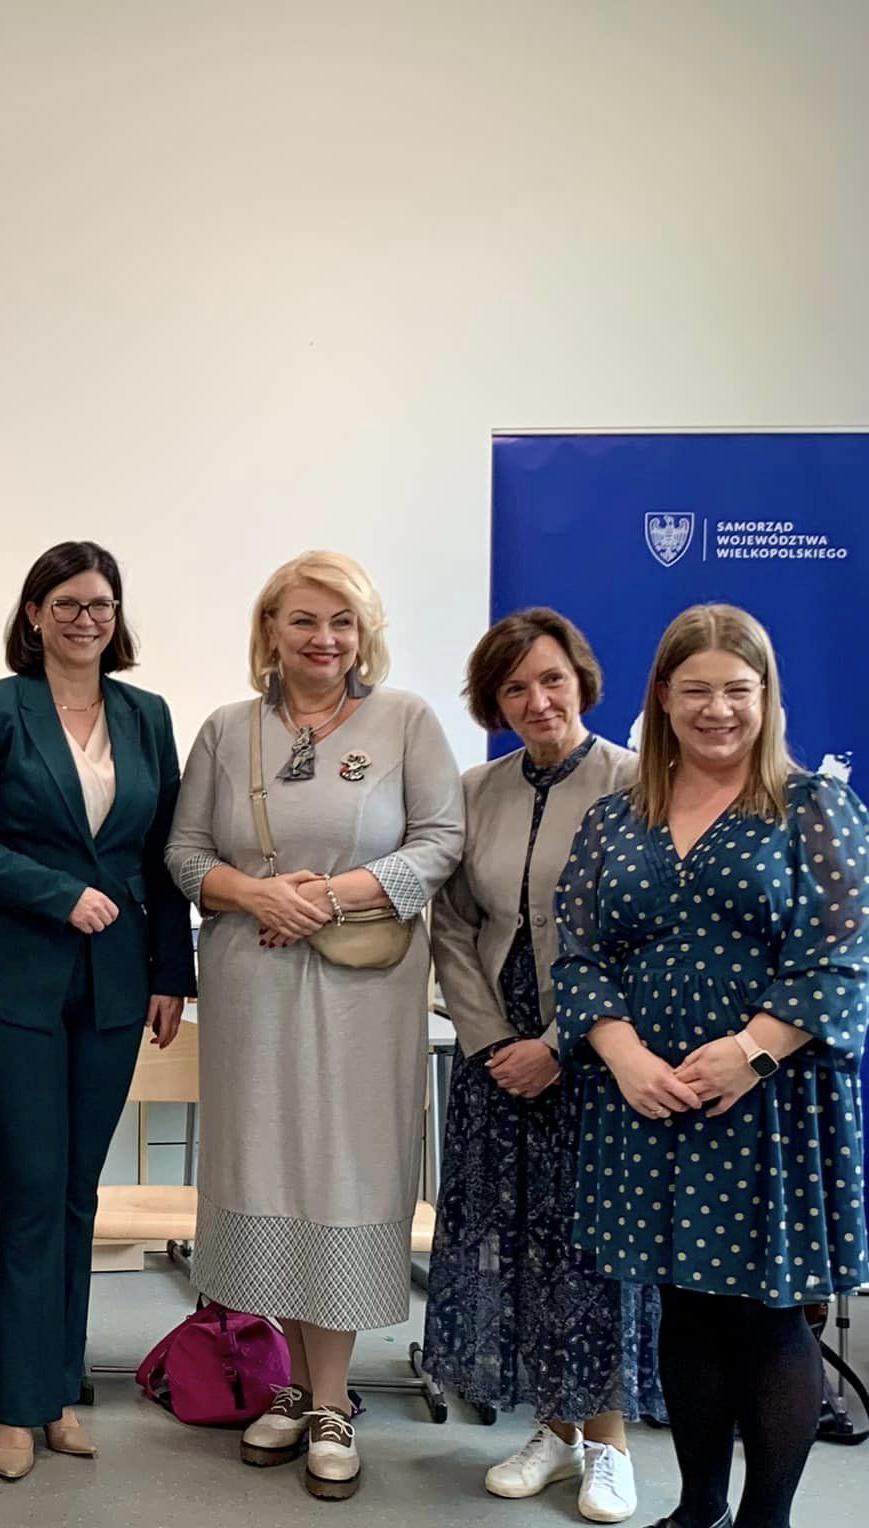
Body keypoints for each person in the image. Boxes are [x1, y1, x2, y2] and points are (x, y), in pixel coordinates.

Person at [554, 603, 868, 1528]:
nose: (718, 709)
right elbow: (578, 953)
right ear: (662, 695)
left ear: (767, 696)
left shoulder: (815, 808)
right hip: (646, 1099)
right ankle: (698, 1512)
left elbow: (842, 956)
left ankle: (764, 1521)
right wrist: (623, 1055)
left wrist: (749, 1053)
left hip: (770, 1102)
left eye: (738, 690)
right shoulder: (616, 818)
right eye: (696, 690)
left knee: (765, 1314)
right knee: (683, 1307)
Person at [164, 549, 463, 1501]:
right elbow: (184, 853)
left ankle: (331, 1402)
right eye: (303, 619)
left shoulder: (406, 721)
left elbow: (442, 842)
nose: (323, 638)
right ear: (270, 629)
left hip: (364, 991)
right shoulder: (227, 729)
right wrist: (258, 894)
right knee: (269, 1164)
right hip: (252, 983)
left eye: (341, 621)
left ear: (364, 632)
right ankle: (292, 1387)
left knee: (343, 1168)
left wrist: (329, 896)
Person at [0, 540, 194, 1482]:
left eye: (102, 605)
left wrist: (173, 972)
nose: (87, 619)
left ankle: (58, 1390)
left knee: (81, 1190)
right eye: (69, 603)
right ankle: (14, 1401)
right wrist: (58, 894)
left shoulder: (146, 715)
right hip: (13, 977)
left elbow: (165, 854)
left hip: (117, 981)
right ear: (35, 613)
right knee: (34, 1184)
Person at [425, 608, 657, 1524]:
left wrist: (561, 1042)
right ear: (495, 701)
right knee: (515, 1240)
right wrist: (490, 1041)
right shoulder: (474, 790)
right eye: (515, 686)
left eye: (551, 679)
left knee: (592, 1247)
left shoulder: (636, 781)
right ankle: (555, 1433)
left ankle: (612, 1445)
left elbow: (642, 930)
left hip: (598, 1051)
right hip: (496, 1050)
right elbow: (451, 924)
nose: (537, 700)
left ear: (582, 681)